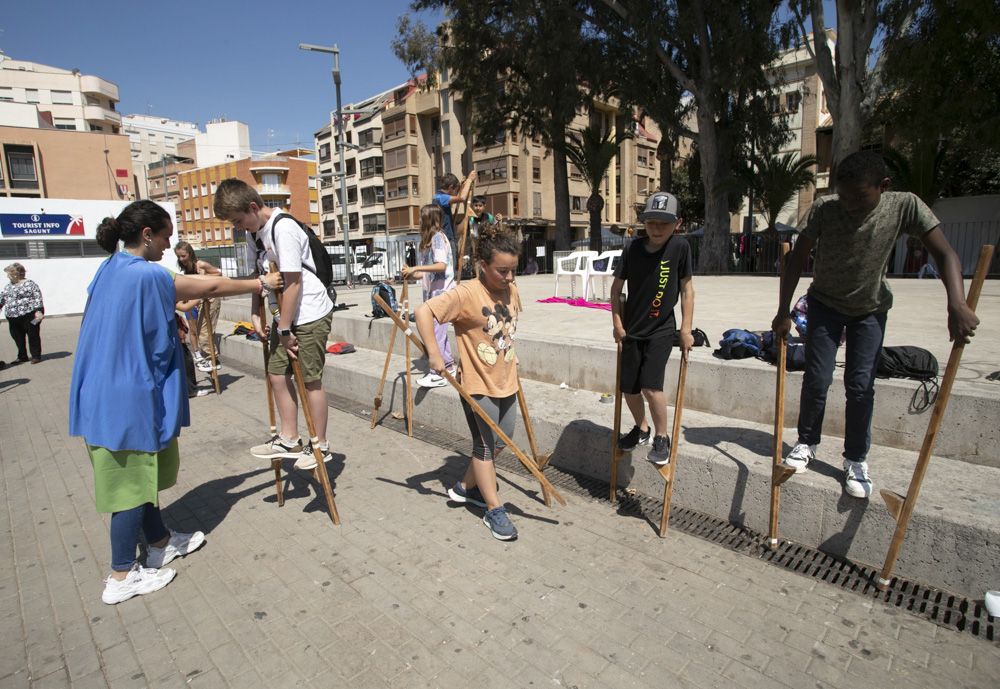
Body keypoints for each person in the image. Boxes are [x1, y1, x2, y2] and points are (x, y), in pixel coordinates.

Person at [69, 200, 282, 604]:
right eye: (166, 236)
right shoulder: (144, 275)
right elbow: (209, 287)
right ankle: (120, 576)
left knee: (141, 475)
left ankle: (160, 541)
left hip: (105, 387)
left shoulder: (109, 268)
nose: (170, 245)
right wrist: (259, 284)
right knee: (128, 490)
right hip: (122, 397)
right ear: (146, 235)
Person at [772, 150, 978, 499]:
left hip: (870, 309)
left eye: (859, 197)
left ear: (883, 186)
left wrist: (956, 303)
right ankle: (806, 442)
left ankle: (855, 459)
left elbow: (944, 254)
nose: (849, 204)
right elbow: (796, 260)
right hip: (824, 304)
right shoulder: (825, 209)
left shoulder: (905, 205)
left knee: (860, 385)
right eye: (844, 195)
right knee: (817, 378)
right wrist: (783, 310)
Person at [213, 179, 335, 471]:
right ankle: (289, 437)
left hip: (309, 314)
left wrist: (285, 330)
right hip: (284, 316)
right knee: (277, 375)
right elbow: (262, 278)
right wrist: (256, 312)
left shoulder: (284, 228)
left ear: (253, 207)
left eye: (239, 220)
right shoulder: (254, 234)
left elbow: (292, 283)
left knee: (310, 380)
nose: (239, 227)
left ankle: (321, 443)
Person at [415, 221, 523, 540]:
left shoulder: (513, 290)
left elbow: (505, 331)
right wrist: (434, 354)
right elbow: (424, 313)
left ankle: (465, 486)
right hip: (476, 384)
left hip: (507, 380)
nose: (509, 277)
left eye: (513, 270)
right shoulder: (466, 293)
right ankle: (493, 509)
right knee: (485, 446)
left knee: (502, 441)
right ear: (483, 265)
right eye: (502, 271)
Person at [610, 191, 695, 465]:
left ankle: (662, 437)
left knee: (651, 387)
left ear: (677, 223)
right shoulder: (632, 248)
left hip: (661, 329)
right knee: (629, 388)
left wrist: (686, 329)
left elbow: (687, 289)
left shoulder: (680, 248)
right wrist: (617, 324)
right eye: (652, 223)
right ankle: (642, 428)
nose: (657, 229)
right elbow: (616, 290)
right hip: (632, 328)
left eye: (664, 223)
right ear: (644, 223)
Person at [402, 205, 456, 388]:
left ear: (430, 220)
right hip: (432, 295)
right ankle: (447, 366)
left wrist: (416, 268)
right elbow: (425, 274)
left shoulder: (438, 238)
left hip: (442, 295)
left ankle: (438, 372)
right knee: (438, 333)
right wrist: (410, 274)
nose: (418, 222)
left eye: (421, 218)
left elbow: (441, 266)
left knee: (434, 334)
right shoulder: (428, 242)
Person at [175, 241, 223, 373]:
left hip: (210, 299)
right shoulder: (185, 268)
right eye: (178, 256)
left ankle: (213, 358)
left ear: (190, 253)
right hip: (194, 300)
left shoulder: (200, 264)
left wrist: (203, 278)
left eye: (183, 256)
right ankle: (205, 356)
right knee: (196, 330)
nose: (181, 259)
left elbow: (218, 273)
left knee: (205, 332)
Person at [1, 262, 45, 364]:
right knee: (17, 337)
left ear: (16, 273)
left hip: (30, 316)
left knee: (33, 335)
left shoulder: (30, 284)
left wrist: (39, 311)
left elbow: (37, 298)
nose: (8, 276)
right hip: (12, 317)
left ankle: (36, 356)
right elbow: (2, 298)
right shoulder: (9, 286)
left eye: (9, 274)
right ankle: (22, 356)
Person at [432, 171, 476, 271]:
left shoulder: (438, 197)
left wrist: (462, 185)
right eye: (456, 190)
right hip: (446, 238)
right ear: (451, 187)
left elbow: (458, 196)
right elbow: (462, 198)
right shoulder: (440, 198)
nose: (456, 192)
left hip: (445, 236)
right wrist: (469, 180)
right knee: (450, 268)